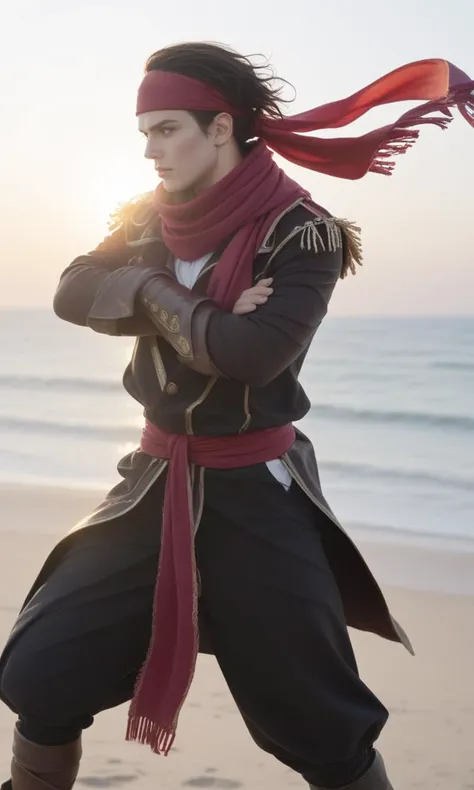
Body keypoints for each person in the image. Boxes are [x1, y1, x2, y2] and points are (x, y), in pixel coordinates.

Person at [0, 42, 472, 790]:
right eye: (144, 133)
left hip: (257, 492)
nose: (151, 151)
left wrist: (143, 294)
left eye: (166, 130)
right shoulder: (144, 217)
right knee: (39, 675)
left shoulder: (304, 233)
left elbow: (250, 355)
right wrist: (187, 304)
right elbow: (70, 292)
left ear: (220, 128)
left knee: (322, 728)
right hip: (150, 482)